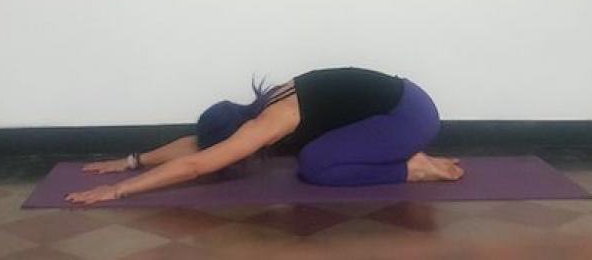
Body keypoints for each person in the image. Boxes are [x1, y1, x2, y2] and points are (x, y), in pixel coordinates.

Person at [66, 67, 463, 205]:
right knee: (317, 153)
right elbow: (199, 146)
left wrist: (119, 191)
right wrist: (132, 161)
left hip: (409, 117)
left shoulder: (268, 123)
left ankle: (412, 168)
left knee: (317, 165)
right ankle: (400, 156)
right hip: (403, 104)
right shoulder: (257, 108)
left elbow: (196, 164)